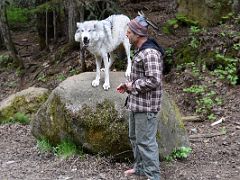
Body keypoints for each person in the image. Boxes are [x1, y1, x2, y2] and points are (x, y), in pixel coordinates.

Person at [117, 15, 164, 180]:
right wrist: (128, 86)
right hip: (137, 104)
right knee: (135, 138)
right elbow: (143, 77)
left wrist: (132, 86)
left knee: (146, 142)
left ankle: (153, 175)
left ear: (138, 34)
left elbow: (154, 80)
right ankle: (141, 169)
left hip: (147, 107)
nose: (127, 35)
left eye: (129, 32)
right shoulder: (141, 51)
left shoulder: (150, 53)